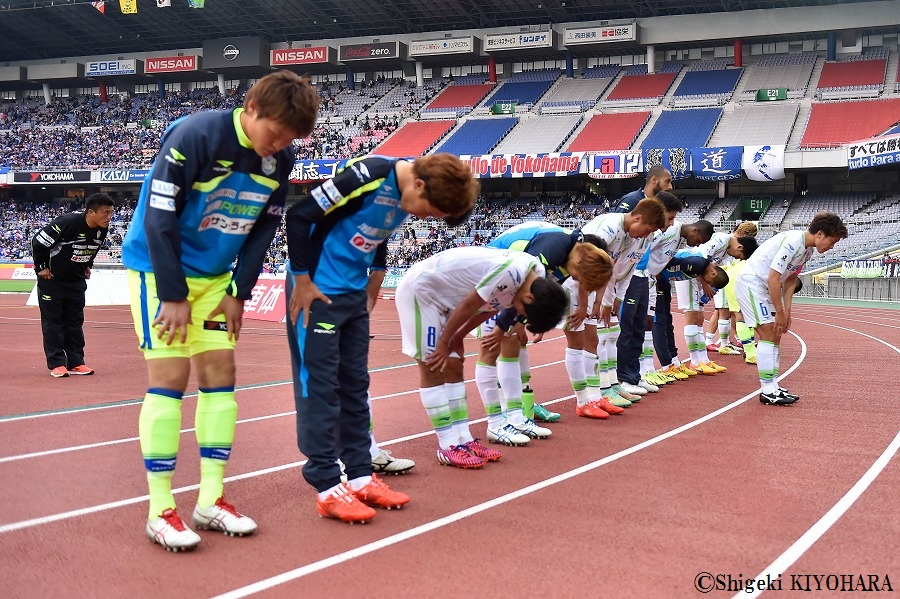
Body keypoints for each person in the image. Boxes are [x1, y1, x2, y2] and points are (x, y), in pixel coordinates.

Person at [121, 70, 321, 551]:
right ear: (251, 108)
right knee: (169, 378)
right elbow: (158, 215)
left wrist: (239, 290)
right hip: (159, 270)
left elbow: (261, 232)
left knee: (220, 375)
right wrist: (172, 293)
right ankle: (160, 509)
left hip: (215, 281)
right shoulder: (196, 135)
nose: (278, 146)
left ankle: (210, 499)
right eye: (275, 133)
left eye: (290, 139)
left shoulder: (280, 159)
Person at [286, 154, 477, 524]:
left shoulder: (411, 194)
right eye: (428, 211)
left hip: (354, 294)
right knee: (320, 386)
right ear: (419, 184)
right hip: (317, 293)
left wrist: (377, 272)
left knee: (355, 386)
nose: (423, 218)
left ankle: (360, 476)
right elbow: (299, 215)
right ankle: (326, 483)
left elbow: (379, 232)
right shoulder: (370, 175)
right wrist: (303, 280)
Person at [395, 246, 567, 468]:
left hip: (447, 302)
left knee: (455, 365)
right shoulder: (512, 272)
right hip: (422, 292)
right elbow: (471, 304)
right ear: (529, 297)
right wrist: (446, 340)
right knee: (433, 364)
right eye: (525, 312)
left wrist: (458, 336)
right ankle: (447, 446)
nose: (520, 316)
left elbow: (490, 309)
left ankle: (463, 439)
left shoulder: (534, 277)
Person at [475, 221, 612, 444]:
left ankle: (516, 416)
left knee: (515, 342)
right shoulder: (555, 246)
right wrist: (510, 323)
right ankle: (500, 422)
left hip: (506, 282)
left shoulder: (568, 256)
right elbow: (521, 284)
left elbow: (537, 292)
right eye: (580, 277)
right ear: (580, 261)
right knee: (499, 345)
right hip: (492, 278)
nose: (576, 281)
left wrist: (525, 321)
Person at [736, 212, 848, 406]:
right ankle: (767, 390)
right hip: (752, 284)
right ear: (820, 234)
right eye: (833, 241)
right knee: (768, 332)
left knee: (776, 333)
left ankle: (773, 385)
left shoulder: (807, 250)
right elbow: (773, 278)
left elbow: (789, 280)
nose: (832, 247)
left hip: (763, 286)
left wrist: (787, 311)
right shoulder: (792, 242)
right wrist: (779, 312)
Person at [571, 198, 668, 418]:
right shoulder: (608, 229)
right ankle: (593, 394)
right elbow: (586, 265)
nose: (646, 235)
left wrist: (615, 298)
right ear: (637, 217)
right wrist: (596, 301)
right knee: (590, 339)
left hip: (604, 286)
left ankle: (608, 386)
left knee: (609, 333)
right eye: (646, 230)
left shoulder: (637, 236)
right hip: (581, 283)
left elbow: (624, 267)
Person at [616, 193, 714, 395]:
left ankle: (640, 373)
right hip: (636, 277)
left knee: (646, 325)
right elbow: (642, 250)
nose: (669, 223)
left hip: (649, 281)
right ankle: (624, 377)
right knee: (629, 326)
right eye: (669, 218)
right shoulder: (665, 232)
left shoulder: (673, 234)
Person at [31, 193, 114, 378]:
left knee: (75, 323)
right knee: (53, 323)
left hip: (76, 282)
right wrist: (41, 267)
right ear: (91, 212)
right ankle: (57, 364)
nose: (109, 217)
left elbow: (93, 249)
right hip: (52, 281)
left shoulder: (102, 229)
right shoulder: (68, 222)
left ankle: (76, 362)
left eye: (111, 213)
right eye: (105, 213)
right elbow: (37, 241)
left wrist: (87, 265)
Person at [672, 229, 758, 376]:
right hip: (690, 275)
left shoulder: (726, 248)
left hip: (698, 278)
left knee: (699, 318)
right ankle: (695, 361)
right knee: (692, 319)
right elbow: (698, 260)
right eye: (739, 256)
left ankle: (703, 359)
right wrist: (705, 284)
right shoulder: (721, 240)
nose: (735, 257)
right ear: (740, 248)